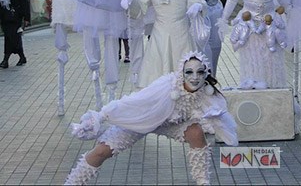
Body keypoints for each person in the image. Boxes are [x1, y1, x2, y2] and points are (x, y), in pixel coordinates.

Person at [64, 51, 238, 186]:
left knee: (196, 132)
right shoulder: (165, 87)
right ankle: (72, 183)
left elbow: (220, 118)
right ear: (182, 73)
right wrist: (101, 116)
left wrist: (214, 123)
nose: (195, 77)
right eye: (189, 72)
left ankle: (203, 182)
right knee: (101, 151)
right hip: (143, 121)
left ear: (206, 73)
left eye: (200, 72)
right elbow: (135, 102)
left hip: (171, 125)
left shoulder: (207, 93)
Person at [125, 0, 207, 88]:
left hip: (181, 34)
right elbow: (141, 8)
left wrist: (198, 6)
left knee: (183, 69)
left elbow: (198, 1)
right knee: (157, 73)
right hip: (159, 34)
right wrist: (130, 4)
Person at [0, 0, 30, 69]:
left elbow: (25, 2)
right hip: (4, 16)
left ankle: (5, 60)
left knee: (11, 37)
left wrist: (26, 18)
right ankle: (22, 57)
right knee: (12, 37)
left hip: (16, 17)